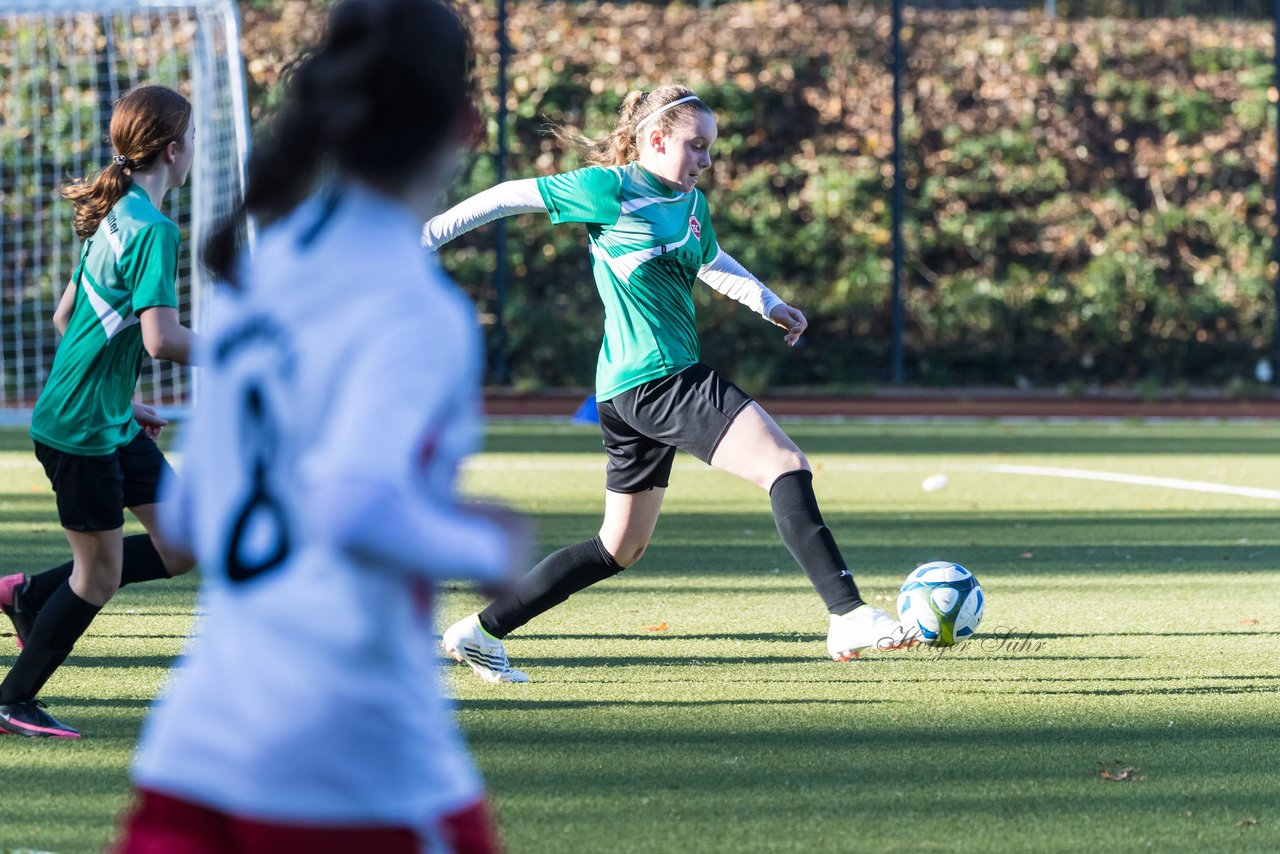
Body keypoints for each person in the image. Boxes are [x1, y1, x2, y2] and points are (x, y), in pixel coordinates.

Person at [115, 1, 524, 851]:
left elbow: (196, 518)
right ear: (465, 123)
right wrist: (486, 547)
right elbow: (353, 507)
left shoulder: (269, 274)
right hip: (350, 762)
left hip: (197, 746)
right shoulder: (415, 303)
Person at [427, 84, 910, 685]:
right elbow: (504, 196)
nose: (706, 160)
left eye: (709, 148)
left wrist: (768, 302)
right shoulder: (609, 189)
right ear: (655, 141)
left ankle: (478, 633)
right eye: (696, 146)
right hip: (660, 379)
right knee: (784, 463)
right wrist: (423, 239)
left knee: (618, 548)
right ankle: (848, 613)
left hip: (625, 392)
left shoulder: (690, 204)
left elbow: (710, 261)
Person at [0, 85, 199, 738]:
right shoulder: (155, 228)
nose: (194, 151)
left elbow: (69, 316)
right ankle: (12, 699)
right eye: (192, 139)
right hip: (82, 430)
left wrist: (124, 396)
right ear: (174, 150)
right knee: (100, 575)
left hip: (106, 417)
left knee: (182, 545)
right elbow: (162, 340)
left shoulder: (115, 212)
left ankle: (28, 595)